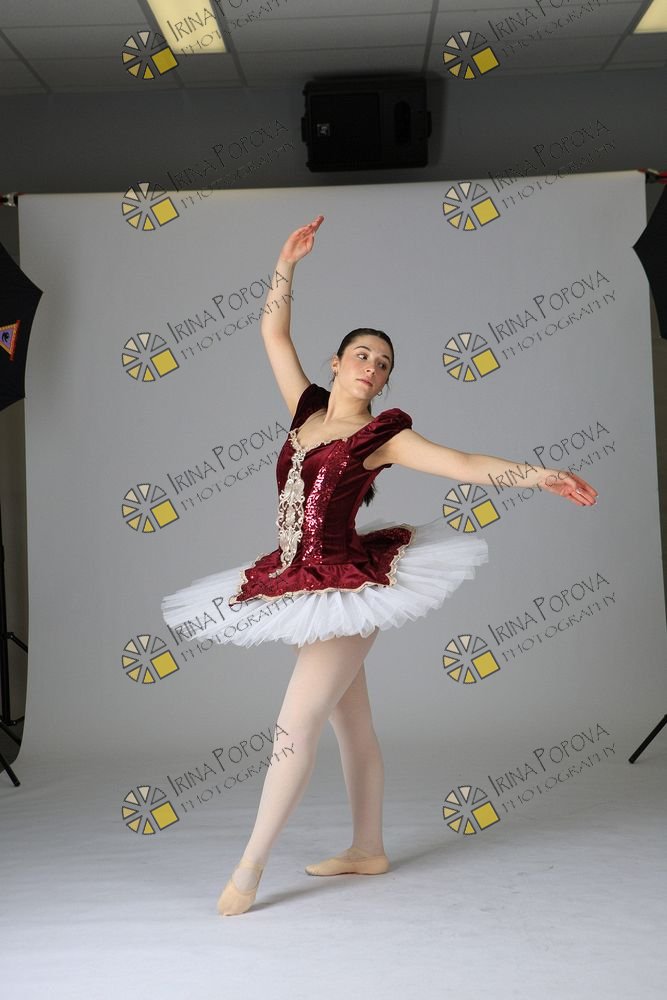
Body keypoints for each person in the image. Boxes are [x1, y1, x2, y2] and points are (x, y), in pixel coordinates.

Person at [161, 215, 598, 916]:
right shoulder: (305, 410)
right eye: (362, 355)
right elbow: (273, 335)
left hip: (345, 586)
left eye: (384, 363)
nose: (372, 367)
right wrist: (286, 264)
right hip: (296, 581)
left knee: (293, 729)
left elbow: (461, 463)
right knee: (351, 724)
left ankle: (247, 870)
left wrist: (538, 474)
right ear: (336, 363)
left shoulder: (381, 436)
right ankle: (368, 849)